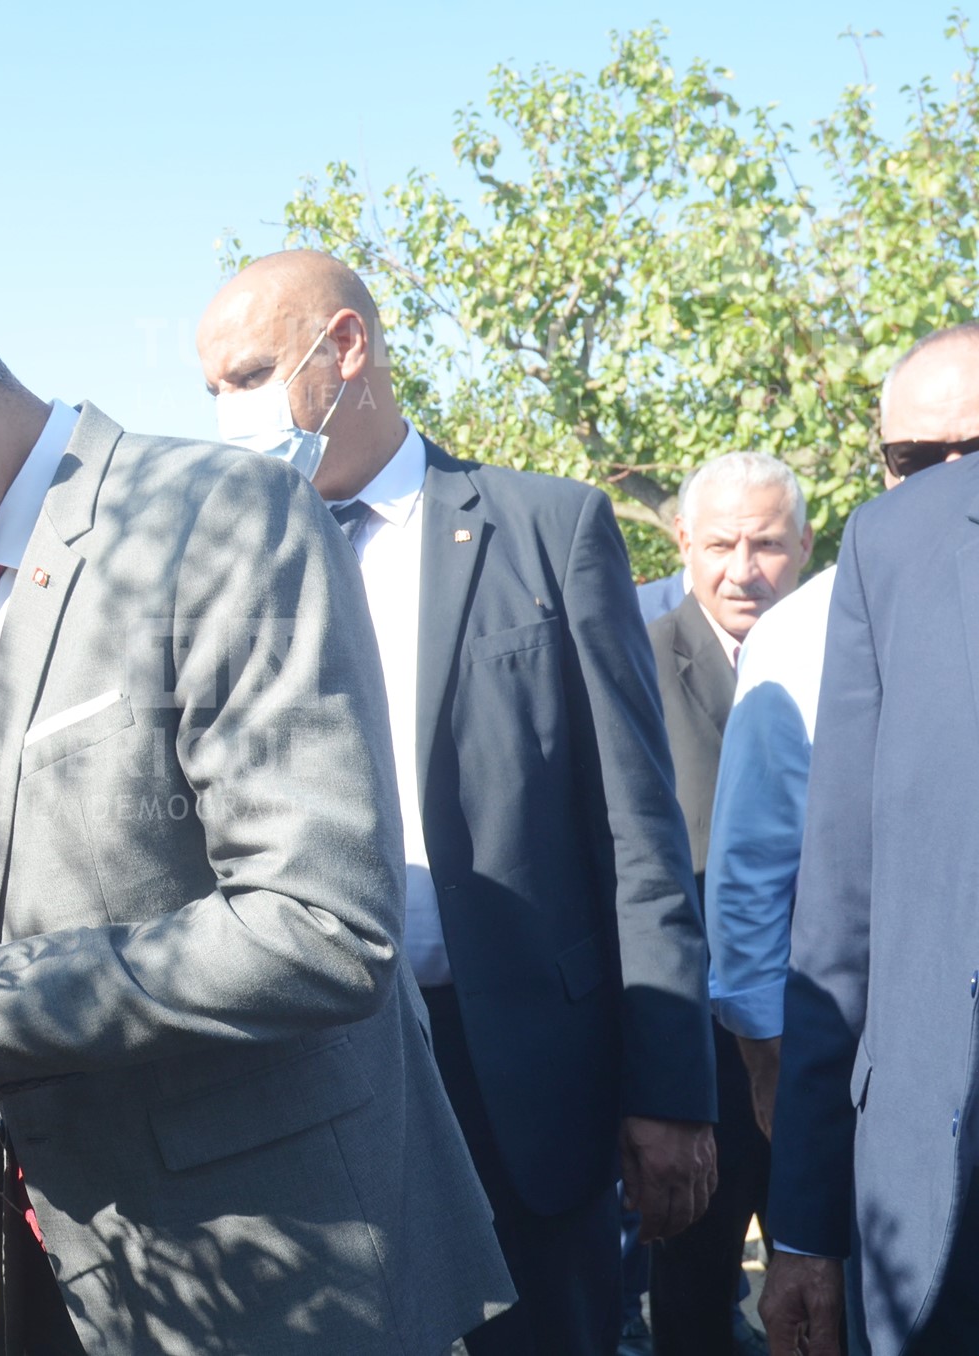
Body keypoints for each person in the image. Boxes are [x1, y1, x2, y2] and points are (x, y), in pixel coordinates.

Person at [0, 235, 514, 1356]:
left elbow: (317, 928)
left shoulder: (214, 519)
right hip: (79, 1255)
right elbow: (4, 901)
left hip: (278, 1261)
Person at [196, 250, 717, 1356]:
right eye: (211, 395)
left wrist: (671, 1087)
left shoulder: (546, 530)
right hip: (316, 1067)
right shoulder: (218, 572)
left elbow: (637, 829)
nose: (226, 415)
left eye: (244, 377)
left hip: (521, 1070)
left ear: (344, 348)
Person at [760, 322, 979, 1356]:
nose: (942, 483)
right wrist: (801, 1224)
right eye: (911, 461)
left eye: (969, 452)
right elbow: (836, 908)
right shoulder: (884, 554)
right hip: (929, 1204)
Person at [644, 452, 813, 1356]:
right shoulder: (628, 658)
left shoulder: (847, 652)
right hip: (692, 1055)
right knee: (694, 1290)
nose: (742, 569)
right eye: (720, 544)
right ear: (683, 542)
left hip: (823, 1037)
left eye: (767, 545)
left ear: (807, 543)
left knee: (824, 1280)